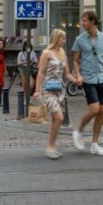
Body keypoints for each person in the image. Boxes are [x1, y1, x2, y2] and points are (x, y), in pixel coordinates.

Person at [71, 11, 103, 156]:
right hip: (88, 79)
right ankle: (78, 130)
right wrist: (78, 75)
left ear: (93, 22)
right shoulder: (79, 39)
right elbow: (76, 61)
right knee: (95, 109)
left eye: (84, 21)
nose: (82, 23)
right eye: (82, 20)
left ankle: (95, 144)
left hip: (101, 78)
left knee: (101, 112)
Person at [33, 29, 79, 159]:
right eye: (62, 38)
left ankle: (51, 146)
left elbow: (67, 73)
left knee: (55, 119)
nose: (65, 40)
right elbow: (41, 72)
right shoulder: (46, 53)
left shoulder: (63, 53)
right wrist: (37, 90)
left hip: (59, 90)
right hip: (47, 89)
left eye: (65, 38)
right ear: (56, 38)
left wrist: (77, 81)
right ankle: (50, 147)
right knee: (59, 117)